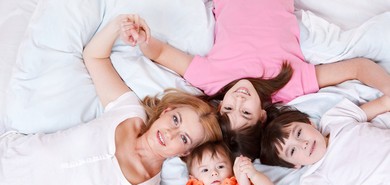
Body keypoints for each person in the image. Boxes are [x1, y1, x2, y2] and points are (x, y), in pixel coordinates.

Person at [0, 14, 222, 185]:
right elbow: (95, 57)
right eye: (175, 120)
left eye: (183, 138)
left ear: (185, 152)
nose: (170, 133)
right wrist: (119, 26)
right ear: (166, 111)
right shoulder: (128, 111)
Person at [121, 0, 390, 134]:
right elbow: (357, 67)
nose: (238, 99)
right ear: (262, 115)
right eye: (246, 112)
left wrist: (143, 39)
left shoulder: (213, 81)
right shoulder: (289, 86)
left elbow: (162, 52)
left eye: (228, 108)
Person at [248, 95, 390, 185]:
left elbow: (384, 103)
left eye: (298, 133)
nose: (303, 144)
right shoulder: (317, 177)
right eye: (292, 151)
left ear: (309, 122)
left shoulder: (335, 119)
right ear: (295, 165)